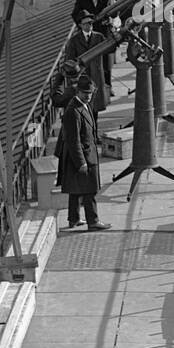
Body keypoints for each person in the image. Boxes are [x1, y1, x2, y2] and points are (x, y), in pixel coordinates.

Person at [58, 76, 110, 231]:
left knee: (76, 190)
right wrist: (81, 162)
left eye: (90, 93)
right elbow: (73, 140)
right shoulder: (73, 111)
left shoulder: (82, 106)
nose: (88, 96)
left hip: (86, 154)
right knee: (89, 190)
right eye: (85, 93)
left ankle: (73, 219)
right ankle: (93, 221)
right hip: (83, 157)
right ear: (78, 92)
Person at [64, 12, 108, 115]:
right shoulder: (74, 40)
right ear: (80, 25)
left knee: (95, 108)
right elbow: (70, 61)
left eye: (91, 23)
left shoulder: (99, 37)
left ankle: (93, 129)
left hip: (96, 77)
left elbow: (110, 49)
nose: (89, 26)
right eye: (86, 23)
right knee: (83, 107)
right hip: (82, 78)